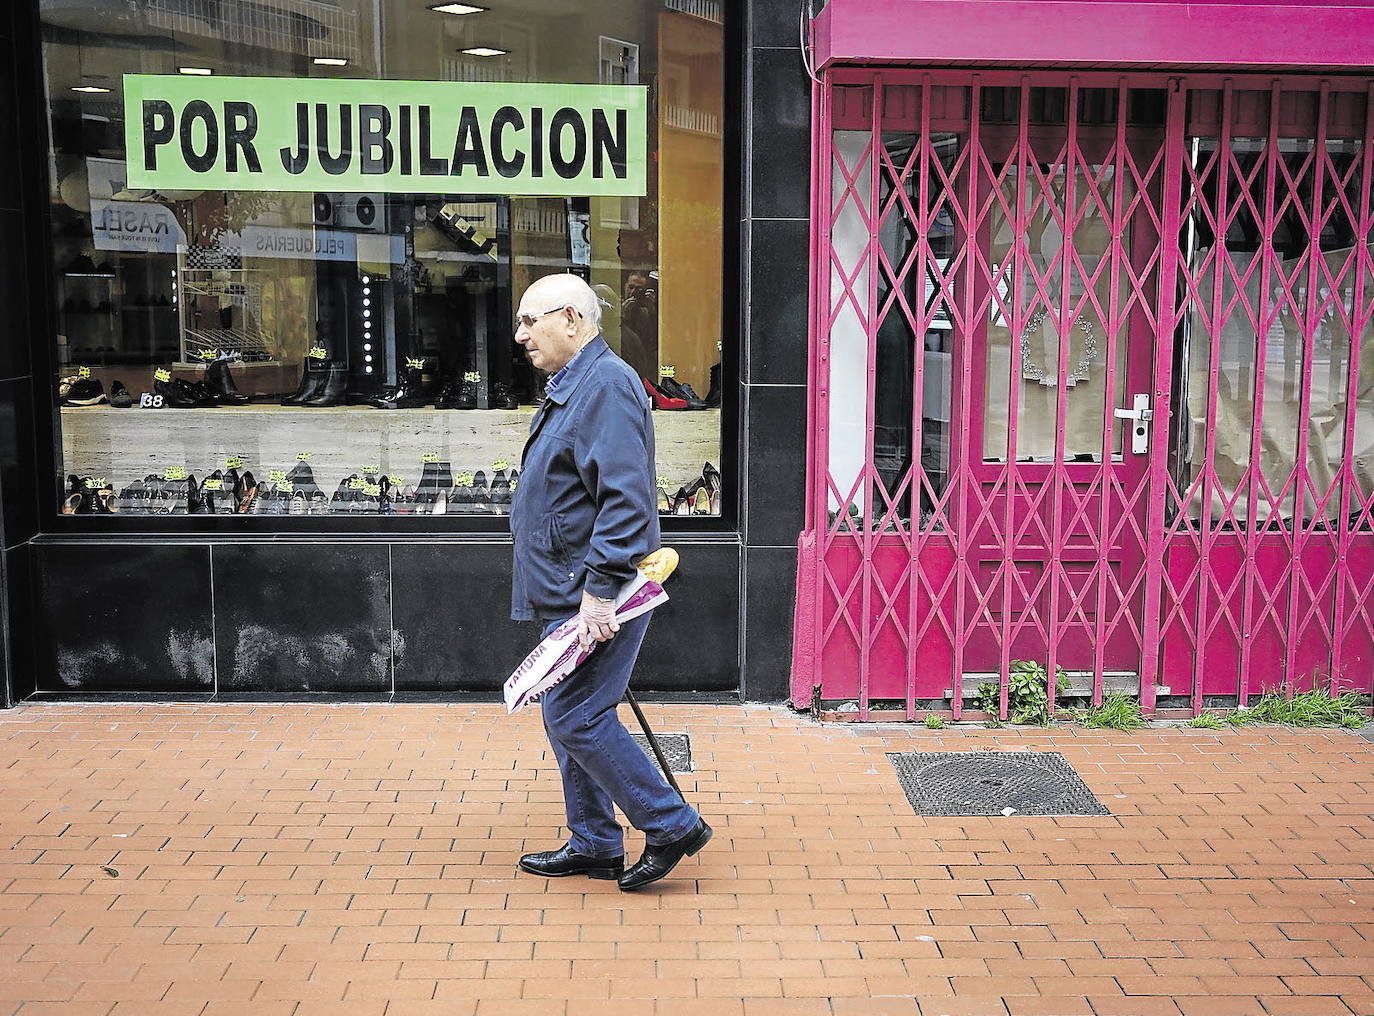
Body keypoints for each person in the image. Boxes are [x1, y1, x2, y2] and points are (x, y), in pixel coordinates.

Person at [509, 273, 711, 891]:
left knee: (578, 716)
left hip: (596, 590)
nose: (520, 336)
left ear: (570, 319)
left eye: (529, 321)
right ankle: (595, 841)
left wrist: (598, 592)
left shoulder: (607, 386)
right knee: (565, 713)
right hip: (567, 584)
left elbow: (627, 501)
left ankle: (671, 823)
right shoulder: (578, 383)